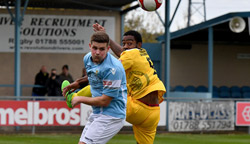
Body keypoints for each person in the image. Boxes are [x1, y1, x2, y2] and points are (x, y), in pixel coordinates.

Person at [92, 23, 166, 144]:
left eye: (129, 43)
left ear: (139, 45)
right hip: (153, 113)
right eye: (124, 43)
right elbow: (123, 52)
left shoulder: (132, 54)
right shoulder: (142, 54)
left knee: (103, 86)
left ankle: (74, 96)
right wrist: (107, 38)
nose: (125, 46)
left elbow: (108, 70)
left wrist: (78, 82)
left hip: (138, 108)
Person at [62, 31, 127, 144]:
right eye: (94, 48)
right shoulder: (87, 58)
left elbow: (105, 101)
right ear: (89, 46)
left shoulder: (113, 69)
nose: (97, 52)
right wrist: (78, 82)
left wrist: (78, 98)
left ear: (108, 49)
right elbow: (96, 73)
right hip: (97, 112)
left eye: (102, 49)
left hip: (112, 115)